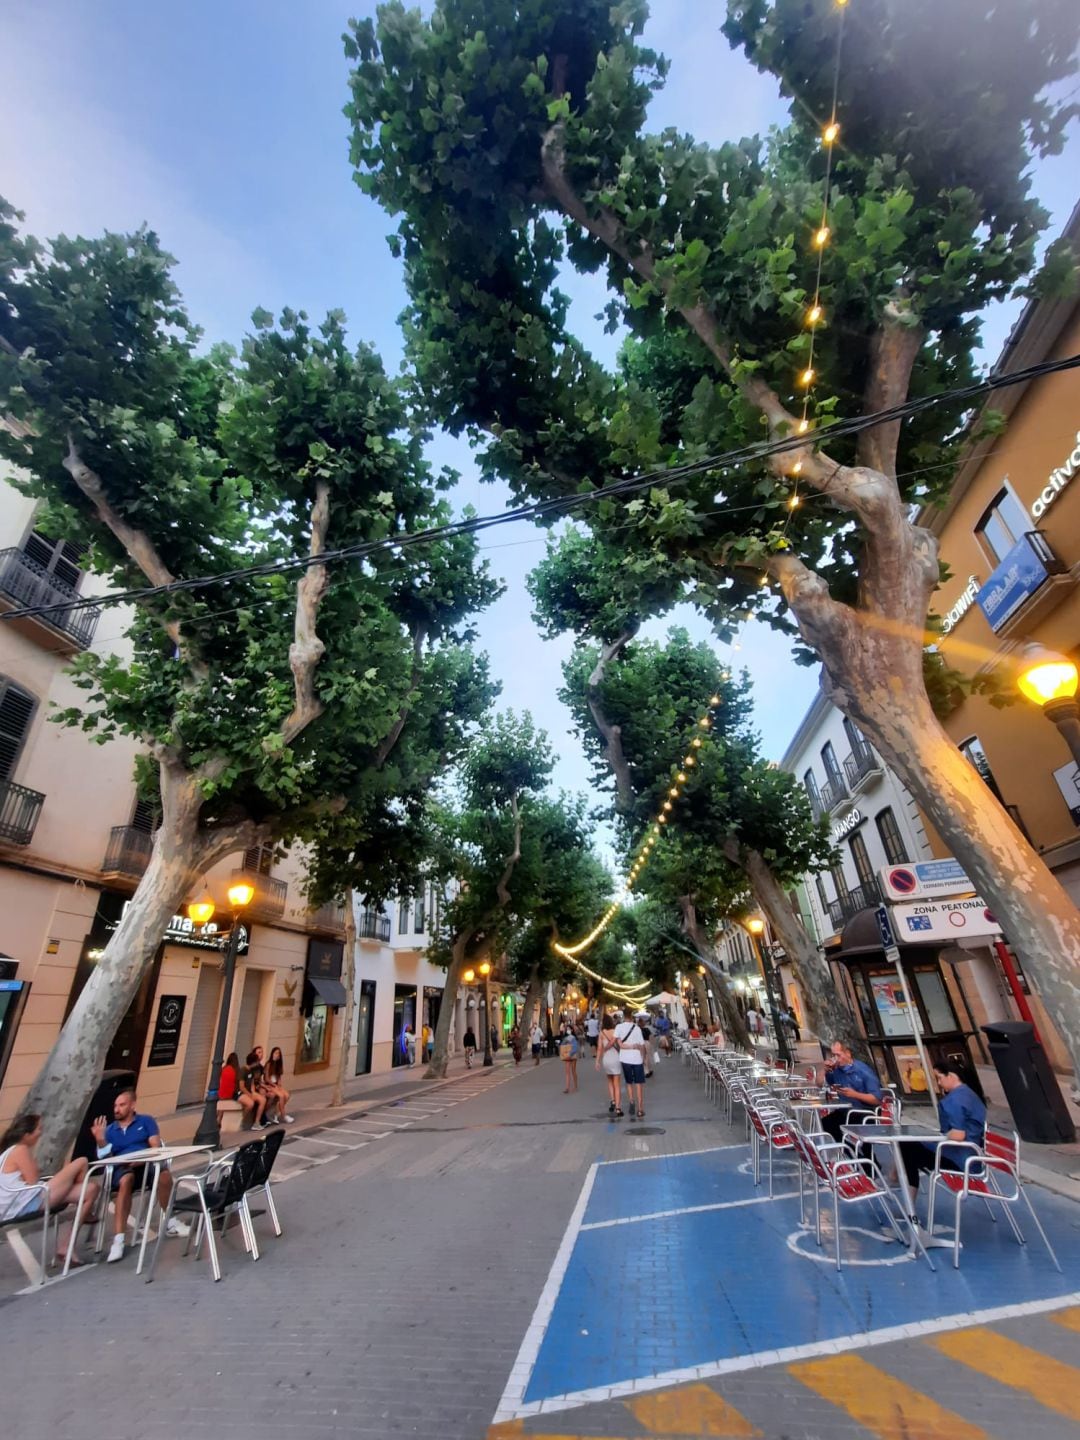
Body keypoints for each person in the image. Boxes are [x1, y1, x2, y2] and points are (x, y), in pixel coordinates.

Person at [91, 1088, 189, 1264]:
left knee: (164, 1175)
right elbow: (105, 1159)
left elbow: (156, 1146)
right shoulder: (110, 1130)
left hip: (145, 1164)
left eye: (122, 1105)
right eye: (115, 1105)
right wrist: (100, 1140)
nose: (116, 1109)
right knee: (126, 1180)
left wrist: (143, 1159)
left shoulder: (146, 1121)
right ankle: (119, 1240)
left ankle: (169, 1220)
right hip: (120, 1168)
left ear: (132, 1105)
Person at [0, 1113, 101, 1268]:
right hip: (27, 1202)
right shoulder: (20, 1149)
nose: (41, 1133)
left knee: (91, 1189)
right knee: (82, 1161)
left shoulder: (9, 1152)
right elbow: (33, 1181)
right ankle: (86, 1214)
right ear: (27, 1134)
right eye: (39, 1129)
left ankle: (66, 1246)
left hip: (25, 1200)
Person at [901, 1060, 987, 1195]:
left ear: (951, 1076)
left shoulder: (955, 1100)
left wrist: (938, 1137)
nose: (939, 1083)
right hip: (973, 1156)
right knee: (910, 1148)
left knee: (907, 1148)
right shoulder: (969, 1094)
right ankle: (898, 1180)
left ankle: (909, 1199)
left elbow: (958, 1135)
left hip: (960, 1159)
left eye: (939, 1078)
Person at [820, 1039, 884, 1143]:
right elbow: (818, 1084)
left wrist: (855, 1094)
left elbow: (877, 1099)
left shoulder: (862, 1070)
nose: (836, 1059)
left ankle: (862, 1155)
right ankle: (849, 1151)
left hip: (865, 1111)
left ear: (848, 1053)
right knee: (826, 1123)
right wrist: (824, 1070)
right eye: (833, 1055)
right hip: (847, 1110)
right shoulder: (836, 1070)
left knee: (854, 1126)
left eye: (838, 1055)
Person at [615, 1011, 647, 1119]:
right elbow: (642, 1045)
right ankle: (640, 1109)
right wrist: (643, 1058)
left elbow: (619, 1044)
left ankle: (631, 1100)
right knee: (639, 1083)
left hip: (625, 1059)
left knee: (629, 1082)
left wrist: (628, 1046)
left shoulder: (618, 1027)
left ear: (624, 1017)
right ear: (632, 1017)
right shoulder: (637, 1028)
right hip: (637, 1059)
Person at [596, 1013, 624, 1116]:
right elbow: (620, 1045)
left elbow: (599, 1048)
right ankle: (618, 1108)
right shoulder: (615, 1032)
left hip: (606, 1059)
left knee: (610, 1081)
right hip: (616, 1058)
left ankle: (612, 1100)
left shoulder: (601, 1033)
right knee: (617, 1084)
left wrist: (597, 1061)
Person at [260, 1045, 295, 1123]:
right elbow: (266, 1078)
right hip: (269, 1085)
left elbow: (278, 1077)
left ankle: (275, 1112)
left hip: (275, 1084)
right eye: (275, 1053)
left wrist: (279, 1085)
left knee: (287, 1095)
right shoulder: (268, 1064)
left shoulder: (278, 1065)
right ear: (272, 1054)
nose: (277, 1055)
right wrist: (274, 1085)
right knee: (281, 1096)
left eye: (278, 1053)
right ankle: (284, 1115)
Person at [241, 1049, 270, 1127]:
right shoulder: (243, 1070)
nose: (257, 1063)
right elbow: (241, 1087)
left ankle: (257, 1122)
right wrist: (250, 1095)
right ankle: (243, 1120)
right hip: (242, 1092)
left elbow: (253, 1083)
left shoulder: (251, 1070)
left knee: (263, 1099)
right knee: (253, 1102)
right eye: (256, 1062)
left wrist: (253, 1092)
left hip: (251, 1090)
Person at [559, 1024, 579, 1093]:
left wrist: (569, 1054)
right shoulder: (564, 1038)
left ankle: (575, 1086)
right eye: (567, 1029)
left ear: (572, 1030)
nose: (568, 1030)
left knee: (573, 1071)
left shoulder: (573, 1037)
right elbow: (562, 1045)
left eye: (569, 1029)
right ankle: (567, 1088)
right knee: (567, 1072)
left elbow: (575, 1047)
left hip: (572, 1055)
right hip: (567, 1055)